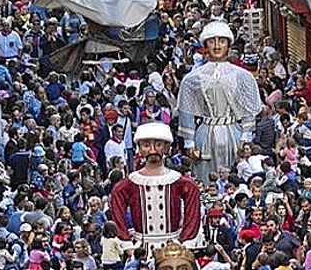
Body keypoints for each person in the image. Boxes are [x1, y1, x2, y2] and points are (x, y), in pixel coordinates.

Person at [178, 19, 263, 180]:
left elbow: (248, 110)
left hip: (233, 134)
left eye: (222, 41)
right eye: (212, 41)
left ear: (228, 45)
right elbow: (186, 111)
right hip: (206, 134)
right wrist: (189, 143)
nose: (217, 46)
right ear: (206, 45)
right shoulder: (192, 78)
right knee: (205, 177)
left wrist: (246, 136)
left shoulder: (243, 76)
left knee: (235, 175)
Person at [109, 122, 201, 256]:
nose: (152, 150)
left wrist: (186, 241)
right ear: (139, 148)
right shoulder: (129, 183)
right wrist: (126, 243)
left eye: (158, 145)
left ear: (166, 147)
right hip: (141, 249)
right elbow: (117, 211)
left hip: (173, 248)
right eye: (146, 145)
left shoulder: (178, 181)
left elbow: (193, 204)